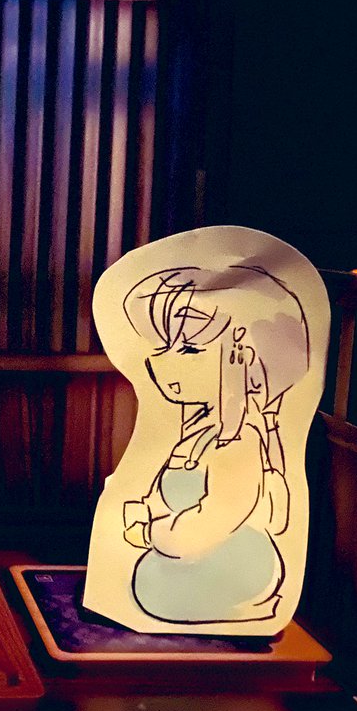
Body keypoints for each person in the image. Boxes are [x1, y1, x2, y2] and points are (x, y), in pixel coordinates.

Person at [118, 264, 309, 625]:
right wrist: (143, 510)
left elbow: (212, 521)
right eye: (165, 346)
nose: (163, 362)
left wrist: (150, 531)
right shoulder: (201, 431)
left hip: (234, 568)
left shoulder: (241, 440)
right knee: (143, 581)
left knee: (154, 586)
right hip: (182, 554)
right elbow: (167, 498)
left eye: (190, 349)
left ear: (245, 357)